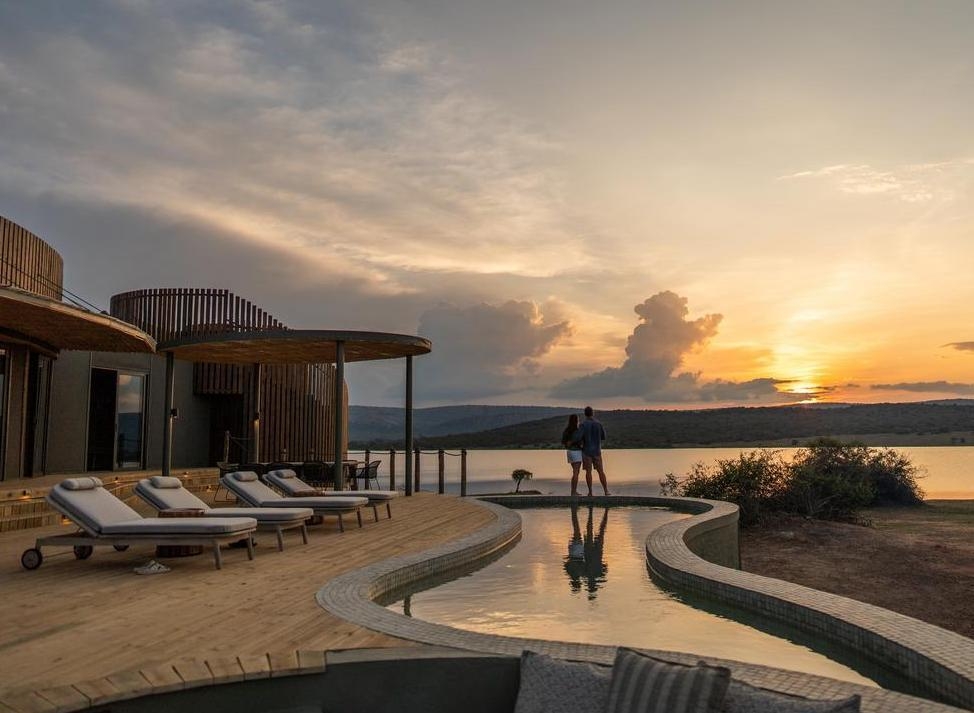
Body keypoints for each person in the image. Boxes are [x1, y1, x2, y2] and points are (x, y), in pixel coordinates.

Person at [574, 406, 609, 496]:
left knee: (588, 472)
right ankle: (606, 491)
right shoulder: (598, 424)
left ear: (585, 414)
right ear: (592, 413)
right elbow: (603, 437)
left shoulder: (583, 425)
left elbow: (578, 438)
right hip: (597, 451)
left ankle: (590, 492)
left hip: (586, 451)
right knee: (601, 471)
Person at [561, 414, 584, 497]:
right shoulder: (577, 430)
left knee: (575, 472)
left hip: (569, 452)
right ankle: (573, 492)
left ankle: (573, 491)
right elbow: (579, 441)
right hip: (576, 452)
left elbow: (563, 441)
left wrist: (569, 444)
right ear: (576, 420)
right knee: (576, 472)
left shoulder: (567, 430)